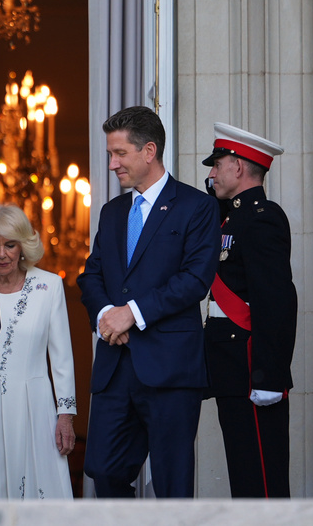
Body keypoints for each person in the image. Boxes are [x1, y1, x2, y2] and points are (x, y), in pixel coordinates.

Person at [78, 106, 220, 498]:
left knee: (173, 485)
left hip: (170, 369)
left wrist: (132, 314)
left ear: (149, 150)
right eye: (111, 154)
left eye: (119, 153)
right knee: (102, 470)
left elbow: (195, 280)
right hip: (115, 366)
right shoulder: (113, 212)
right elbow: (91, 275)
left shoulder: (198, 207)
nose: (112, 164)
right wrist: (108, 314)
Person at [0, 204, 77, 500]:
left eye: (10, 245)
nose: (2, 254)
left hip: (32, 408)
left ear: (24, 246)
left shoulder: (49, 286)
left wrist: (66, 415)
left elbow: (61, 359)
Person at [202, 122, 298, 498]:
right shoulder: (229, 216)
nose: (211, 174)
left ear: (238, 167)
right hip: (231, 370)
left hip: (251, 372)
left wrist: (269, 377)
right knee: (245, 481)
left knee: (262, 484)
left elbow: (276, 301)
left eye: (217, 164)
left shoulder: (263, 218)